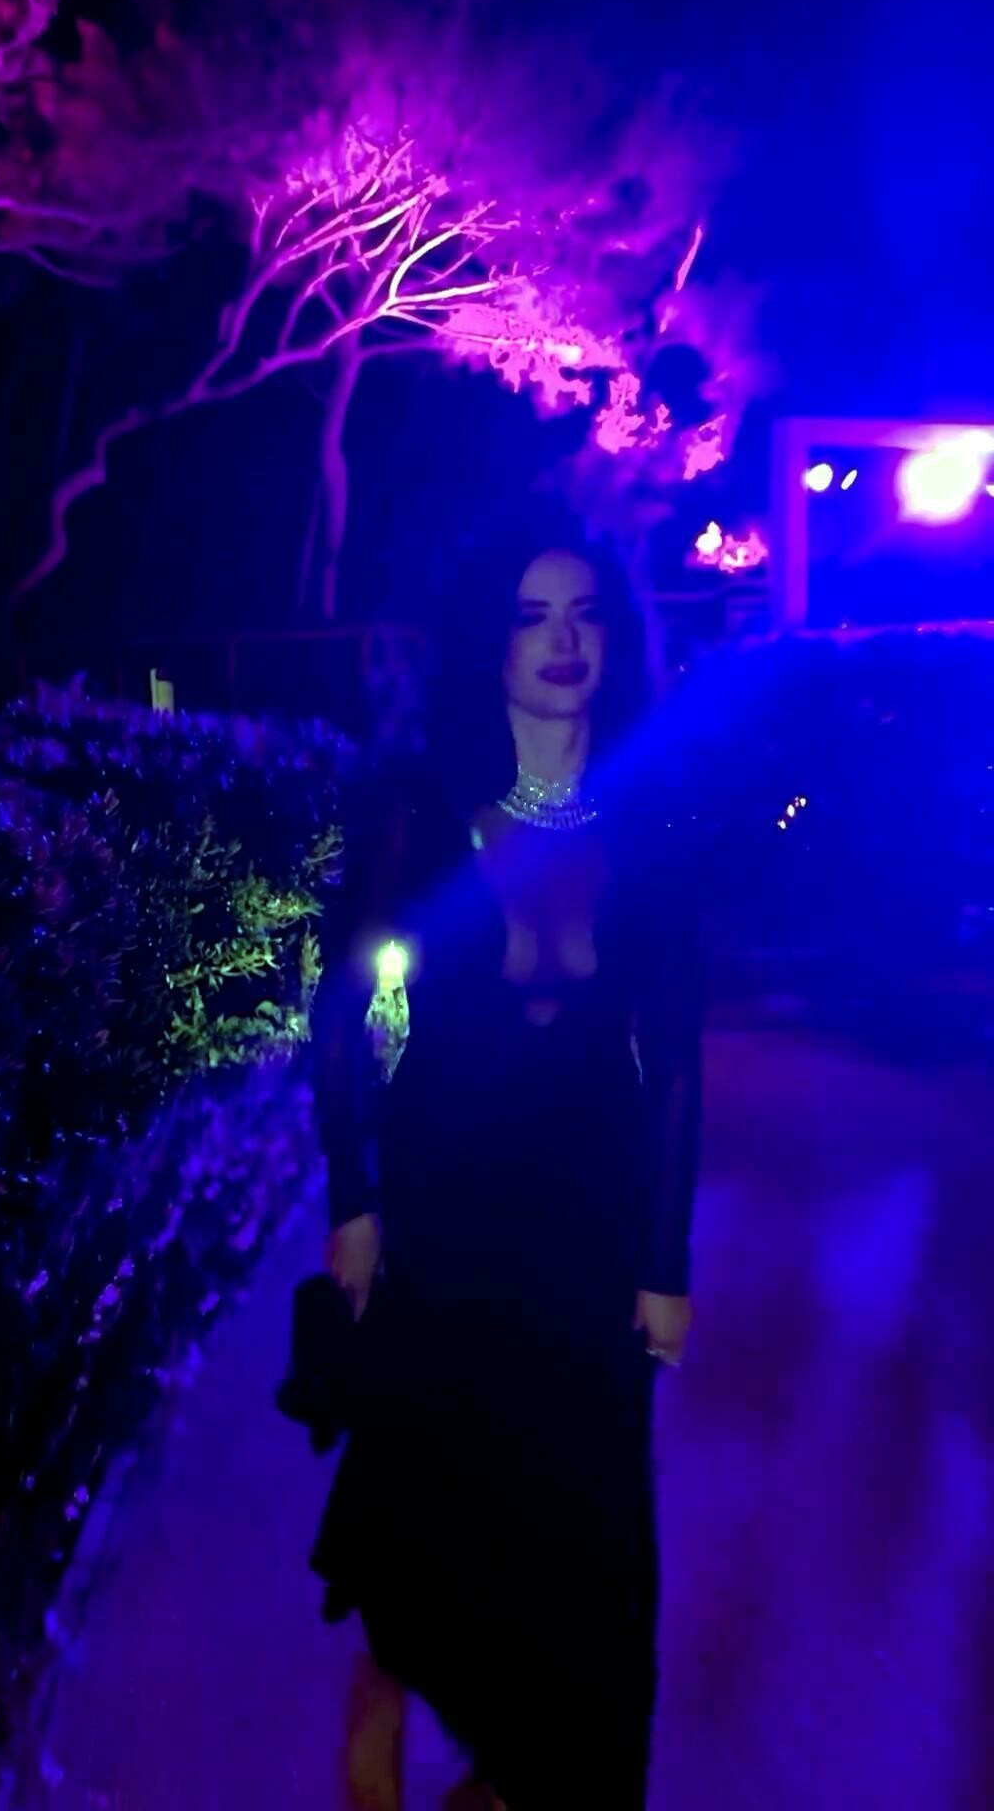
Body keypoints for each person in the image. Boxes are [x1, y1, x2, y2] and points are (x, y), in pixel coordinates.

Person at [308, 507, 703, 1810]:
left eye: (584, 613)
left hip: (587, 1233)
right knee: (441, 1511)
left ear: (616, 638)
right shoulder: (417, 811)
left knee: (584, 1548)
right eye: (532, 616)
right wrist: (355, 1201)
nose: (561, 640)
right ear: (492, 643)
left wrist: (664, 1266)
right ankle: (390, 1722)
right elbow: (341, 1017)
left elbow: (674, 1061)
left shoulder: (649, 822)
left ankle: (529, 1776)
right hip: (450, 1216)